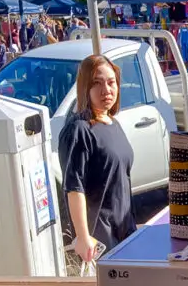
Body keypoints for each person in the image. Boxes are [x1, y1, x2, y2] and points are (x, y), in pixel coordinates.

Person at [58, 55, 136, 263]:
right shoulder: (79, 130)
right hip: (100, 241)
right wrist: (83, 237)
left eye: (111, 82)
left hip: (125, 233)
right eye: (97, 83)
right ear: (85, 88)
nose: (106, 90)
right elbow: (74, 188)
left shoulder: (113, 124)